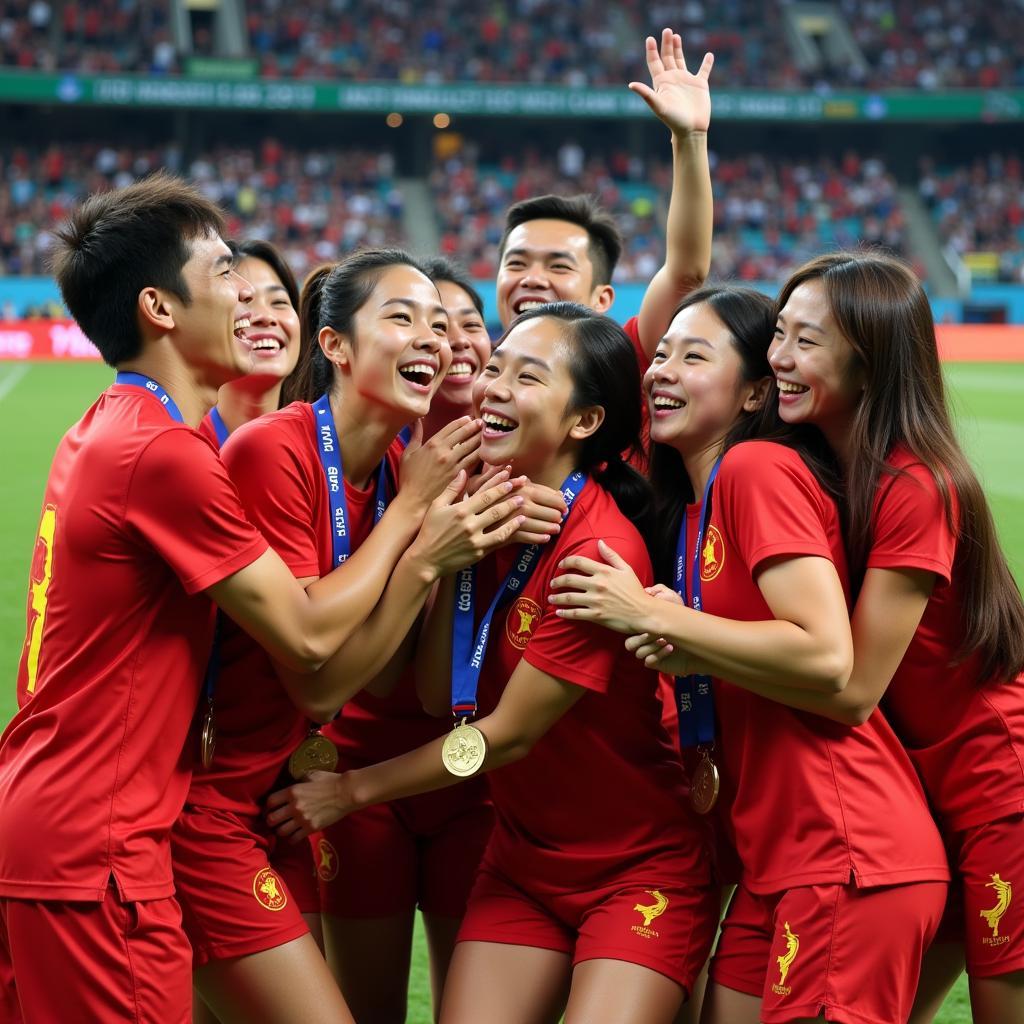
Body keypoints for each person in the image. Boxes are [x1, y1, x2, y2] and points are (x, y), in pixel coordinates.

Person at [0, 175, 518, 1024]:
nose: (248, 291)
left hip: (92, 817)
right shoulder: (169, 453)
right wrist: (419, 532)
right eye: (225, 271)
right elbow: (312, 644)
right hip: (103, 832)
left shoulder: (133, 429)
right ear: (161, 309)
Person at [268, 303, 720, 1024]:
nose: (493, 387)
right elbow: (431, 689)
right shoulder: (483, 510)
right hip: (523, 865)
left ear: (584, 422)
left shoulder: (597, 552)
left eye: (527, 377)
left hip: (636, 867)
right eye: (496, 367)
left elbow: (507, 734)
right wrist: (459, 553)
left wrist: (350, 791)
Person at [548, 286, 950, 1024]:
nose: (660, 370)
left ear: (754, 392)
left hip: (845, 852)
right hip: (780, 865)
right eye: (660, 353)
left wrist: (647, 614)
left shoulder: (756, 469)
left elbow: (829, 657)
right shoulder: (698, 506)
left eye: (692, 355)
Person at [172, 248, 541, 1024]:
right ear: (334, 345)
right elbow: (314, 671)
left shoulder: (405, 465)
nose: (431, 340)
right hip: (203, 797)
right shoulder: (276, 450)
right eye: (402, 318)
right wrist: (418, 540)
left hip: (273, 792)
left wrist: (454, 557)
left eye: (439, 326)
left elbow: (369, 677)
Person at [767, 251, 1024, 1024]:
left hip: (995, 789)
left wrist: (670, 628)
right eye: (779, 333)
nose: (780, 357)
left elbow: (851, 690)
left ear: (871, 362)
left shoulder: (916, 485)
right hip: (917, 796)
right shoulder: (829, 469)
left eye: (807, 342)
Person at [314, 257, 505, 1023]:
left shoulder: (525, 471)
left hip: (476, 782)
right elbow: (381, 680)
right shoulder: (381, 465)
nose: (448, 340)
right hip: (358, 775)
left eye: (463, 324)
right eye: (425, 321)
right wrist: (424, 540)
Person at [495, 29, 713, 364]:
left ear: (602, 298)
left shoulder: (620, 367)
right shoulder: (466, 374)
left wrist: (690, 138)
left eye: (559, 265)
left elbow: (686, 272)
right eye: (517, 263)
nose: (533, 278)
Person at [197, 238, 304, 448]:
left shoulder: (328, 447)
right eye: (242, 300)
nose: (265, 316)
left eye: (279, 302)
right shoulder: (180, 446)